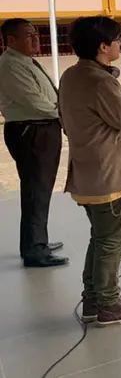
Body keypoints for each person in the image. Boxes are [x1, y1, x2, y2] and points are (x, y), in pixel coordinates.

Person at [59, 16, 121, 324]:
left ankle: (93, 300)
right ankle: (109, 304)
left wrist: (117, 77)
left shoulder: (73, 75)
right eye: (118, 41)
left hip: (88, 171)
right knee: (112, 241)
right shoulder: (100, 81)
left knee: (99, 238)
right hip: (109, 174)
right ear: (103, 46)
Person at [0, 18, 68, 268]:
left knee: (40, 189)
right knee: (36, 190)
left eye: (35, 34)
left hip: (43, 129)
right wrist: (65, 114)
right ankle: (35, 250)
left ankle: (36, 241)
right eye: (28, 35)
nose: (35, 38)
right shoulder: (10, 65)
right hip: (31, 131)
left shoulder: (25, 61)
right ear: (10, 40)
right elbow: (35, 102)